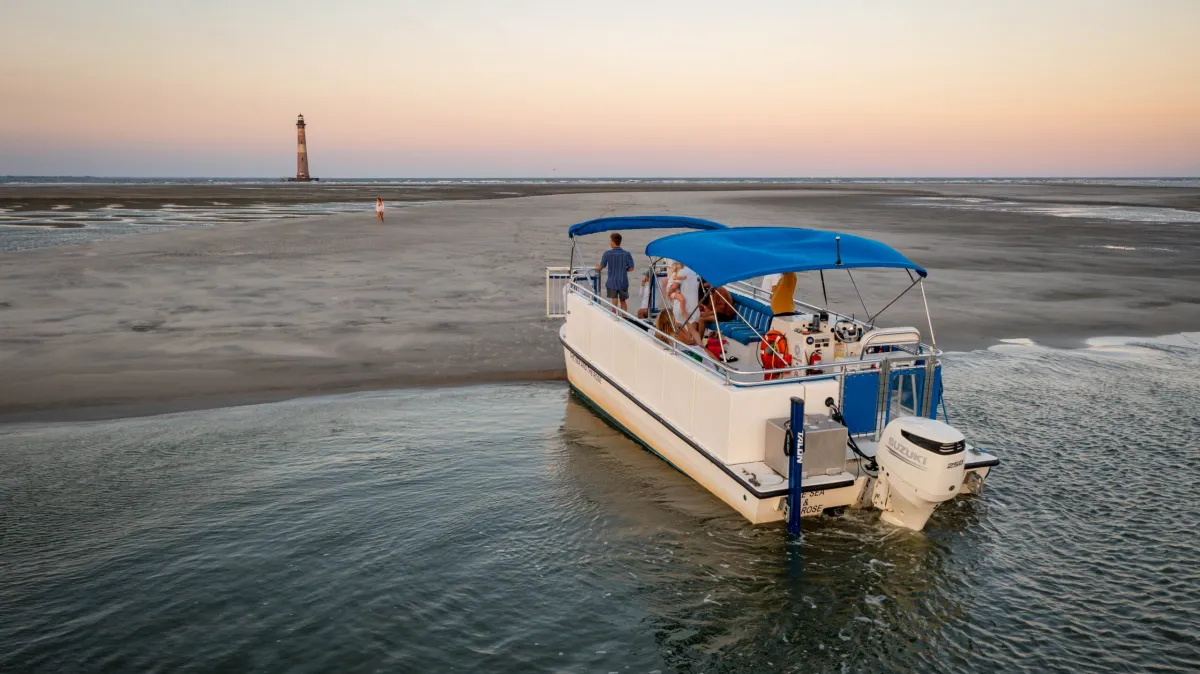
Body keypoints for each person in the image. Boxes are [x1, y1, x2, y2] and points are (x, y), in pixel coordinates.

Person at [595, 232, 635, 312]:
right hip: (623, 281)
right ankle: (625, 317)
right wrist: (624, 269)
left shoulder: (607, 254)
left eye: (610, 241)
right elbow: (631, 268)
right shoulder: (627, 254)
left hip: (612, 281)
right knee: (623, 301)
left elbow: (601, 267)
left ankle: (614, 317)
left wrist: (596, 267)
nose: (610, 242)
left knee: (614, 300)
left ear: (613, 241)